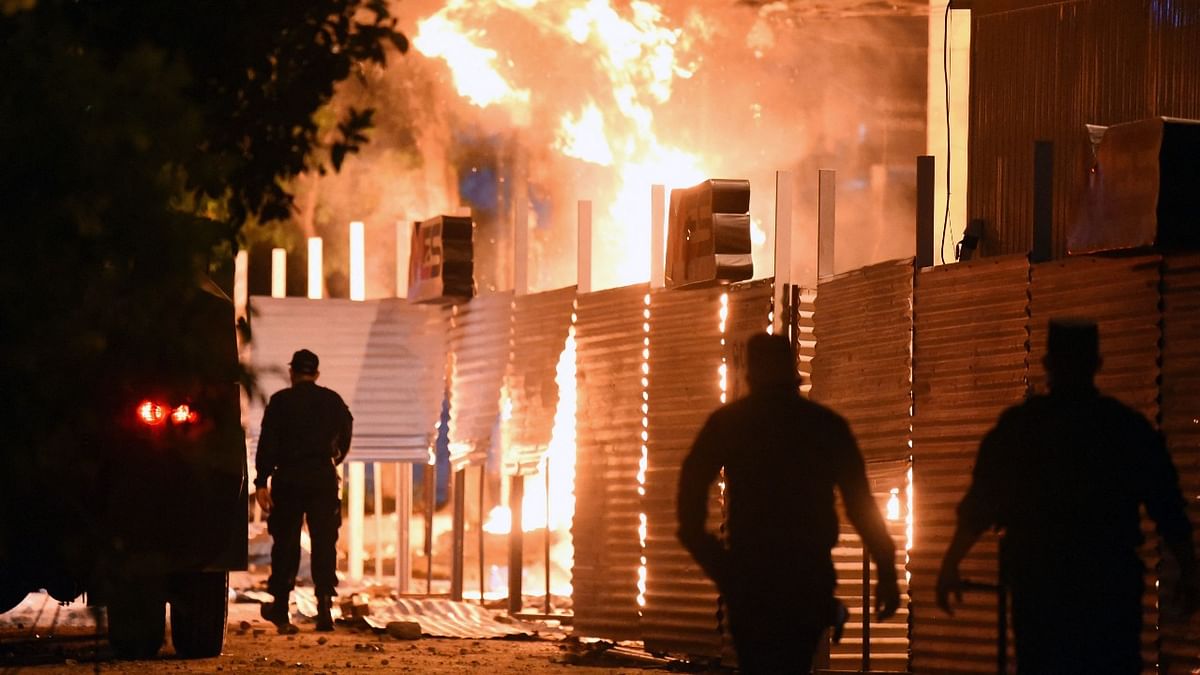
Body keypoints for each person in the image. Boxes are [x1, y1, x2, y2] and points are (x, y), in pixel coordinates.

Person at [937, 319, 1197, 674]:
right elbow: (1169, 509)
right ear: (1097, 365)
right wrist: (1190, 570)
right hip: (1108, 594)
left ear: (1048, 366)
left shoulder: (1020, 429)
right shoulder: (1124, 429)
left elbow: (981, 504)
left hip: (1042, 593)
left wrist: (951, 563)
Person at [677, 333, 901, 673]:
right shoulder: (825, 426)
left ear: (748, 373)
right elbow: (860, 505)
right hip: (807, 580)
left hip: (751, 579)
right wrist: (885, 570)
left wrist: (721, 567)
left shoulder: (729, 424)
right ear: (792, 369)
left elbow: (689, 500)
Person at [254, 349, 353, 633]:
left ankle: (281, 610)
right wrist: (334, 459)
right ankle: (324, 609)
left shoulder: (280, 402)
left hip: (289, 478)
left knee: (285, 543)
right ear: (316, 374)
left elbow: (268, 443)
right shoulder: (332, 400)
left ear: (292, 373)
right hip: (322, 477)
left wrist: (261, 481)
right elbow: (346, 432)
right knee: (324, 542)